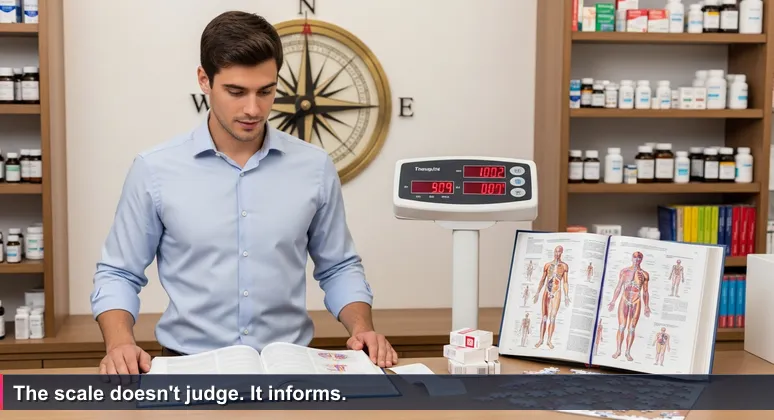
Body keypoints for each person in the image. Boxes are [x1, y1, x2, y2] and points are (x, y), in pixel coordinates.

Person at [89, 11, 398, 375]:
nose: (253, 109)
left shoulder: (314, 167)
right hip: (188, 366)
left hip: (291, 367)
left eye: (265, 91)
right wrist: (120, 342)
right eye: (236, 92)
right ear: (204, 80)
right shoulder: (154, 170)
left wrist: (363, 329)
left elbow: (339, 266)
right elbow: (118, 272)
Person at [607, 251, 651, 361]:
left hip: (636, 301)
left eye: (639, 258)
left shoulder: (644, 274)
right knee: (621, 326)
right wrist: (613, 301)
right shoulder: (624, 271)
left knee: (631, 328)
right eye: (635, 257)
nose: (637, 260)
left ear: (642, 260)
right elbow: (618, 287)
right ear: (632, 258)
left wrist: (646, 306)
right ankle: (618, 350)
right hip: (624, 299)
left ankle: (627, 352)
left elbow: (645, 291)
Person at [533, 245, 570, 349]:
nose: (557, 254)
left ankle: (549, 340)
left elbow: (565, 282)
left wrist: (566, 295)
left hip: (557, 292)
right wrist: (537, 293)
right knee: (544, 317)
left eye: (559, 252)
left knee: (552, 318)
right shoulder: (547, 265)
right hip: (546, 291)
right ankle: (541, 339)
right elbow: (542, 279)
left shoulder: (564, 266)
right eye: (556, 251)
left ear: (561, 253)